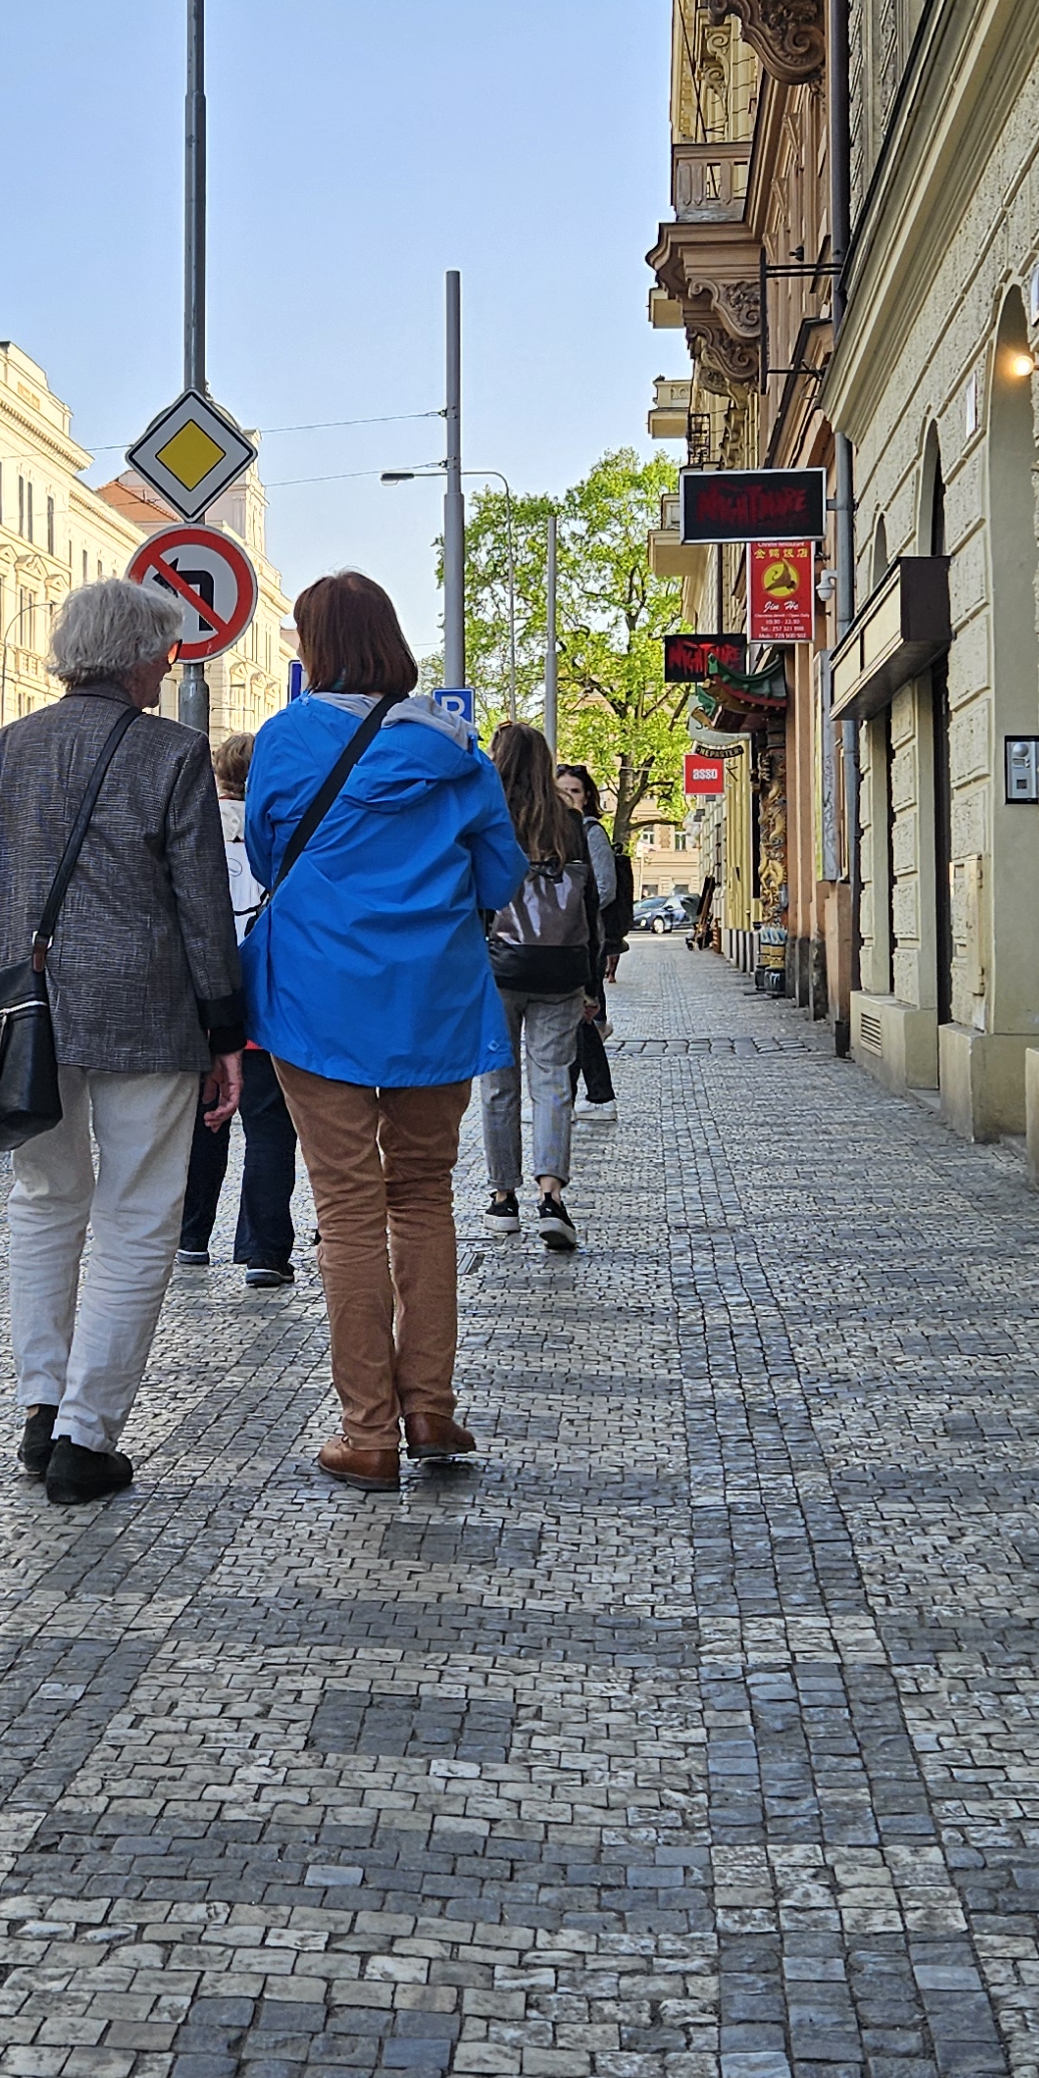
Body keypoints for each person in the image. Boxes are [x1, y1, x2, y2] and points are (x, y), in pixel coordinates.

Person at [0, 573, 244, 1507]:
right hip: (146, 1011)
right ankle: (86, 1436)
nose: (168, 667)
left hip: (23, 1008)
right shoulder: (173, 753)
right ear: (136, 657)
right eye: (164, 651)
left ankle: (41, 1407)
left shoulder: (7, 747)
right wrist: (226, 1028)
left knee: (43, 1199)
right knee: (139, 1212)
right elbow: (202, 906)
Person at [241, 573, 521, 1490]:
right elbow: (501, 879)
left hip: (314, 996)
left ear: (314, 647)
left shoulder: (285, 739)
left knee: (347, 1207)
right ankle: (430, 1407)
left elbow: (270, 858)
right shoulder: (456, 749)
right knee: (425, 1197)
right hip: (432, 998)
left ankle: (368, 1433)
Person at [176, 732, 300, 1285]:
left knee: (204, 1116)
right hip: (268, 996)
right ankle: (264, 1252)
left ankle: (191, 1237)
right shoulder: (283, 831)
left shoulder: (192, 828)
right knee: (270, 1125)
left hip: (202, 996)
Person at [477, 725, 601, 1252]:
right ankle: (551, 1196)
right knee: (553, 1084)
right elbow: (590, 907)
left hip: (497, 968)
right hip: (561, 968)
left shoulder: (487, 817)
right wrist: (592, 981)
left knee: (498, 1085)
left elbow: (471, 897)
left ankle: (504, 1198)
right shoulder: (568, 822)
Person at [556, 761, 632, 1127]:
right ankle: (591, 1098)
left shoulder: (590, 831)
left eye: (574, 791)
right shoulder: (555, 831)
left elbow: (604, 887)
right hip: (563, 939)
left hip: (586, 938)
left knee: (577, 1018)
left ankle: (577, 1099)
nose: (567, 797)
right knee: (577, 1019)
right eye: (561, 791)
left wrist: (569, 912)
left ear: (587, 797)